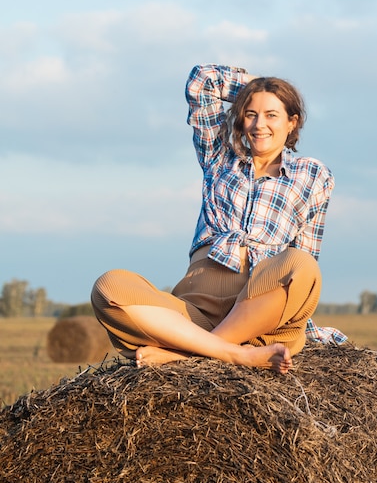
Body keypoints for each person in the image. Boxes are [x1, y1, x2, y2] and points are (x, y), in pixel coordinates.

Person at [91, 64, 346, 374]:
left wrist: (269, 94)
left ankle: (186, 355)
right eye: (250, 114)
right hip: (194, 311)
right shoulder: (220, 156)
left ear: (293, 123)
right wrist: (261, 87)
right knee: (108, 287)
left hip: (260, 317)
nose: (258, 124)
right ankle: (229, 353)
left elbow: (306, 257)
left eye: (272, 115)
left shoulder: (313, 175)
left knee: (302, 264)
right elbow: (203, 82)